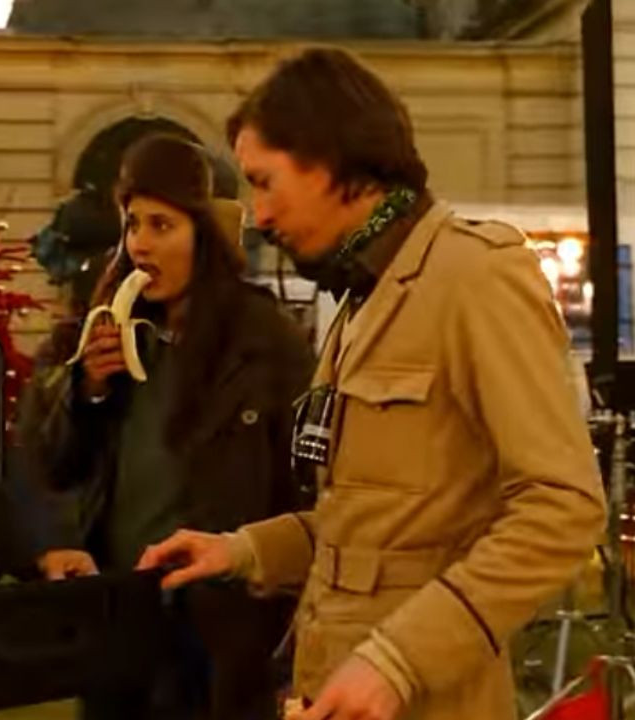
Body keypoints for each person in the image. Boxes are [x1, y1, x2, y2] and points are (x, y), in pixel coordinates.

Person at [138, 47, 606, 720]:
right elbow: (369, 529)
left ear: (333, 162)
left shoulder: (475, 278)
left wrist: (397, 661)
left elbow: (563, 508)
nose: (258, 215)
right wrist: (242, 550)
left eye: (265, 182)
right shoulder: (365, 297)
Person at [24, 134, 314, 720]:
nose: (140, 244)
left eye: (162, 225)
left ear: (206, 234)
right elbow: (46, 466)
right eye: (133, 224)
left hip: (227, 631)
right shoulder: (95, 337)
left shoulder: (266, 344)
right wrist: (87, 391)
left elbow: (306, 492)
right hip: (123, 621)